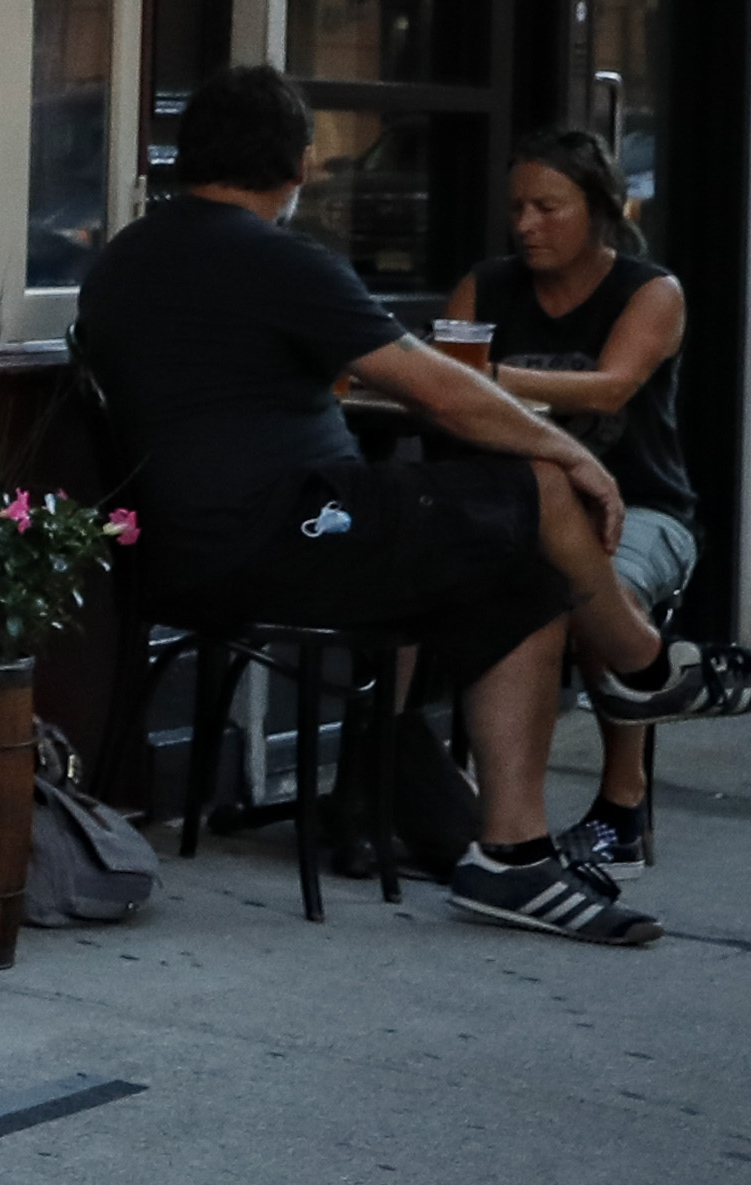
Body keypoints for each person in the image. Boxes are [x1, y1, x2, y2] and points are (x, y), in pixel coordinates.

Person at [72, 68, 698, 947]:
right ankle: (642, 666)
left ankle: (508, 855)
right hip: (285, 535)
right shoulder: (271, 258)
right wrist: (566, 449)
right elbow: (434, 388)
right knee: (537, 489)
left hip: (190, 552)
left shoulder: (126, 257)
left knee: (518, 567)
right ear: (297, 162)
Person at [446, 127, 703, 866]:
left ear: (596, 208)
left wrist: (481, 379)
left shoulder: (650, 290)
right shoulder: (487, 285)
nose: (525, 224)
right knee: (420, 566)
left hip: (640, 504)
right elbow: (440, 379)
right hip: (506, 502)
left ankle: (622, 805)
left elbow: (611, 385)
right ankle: (430, 784)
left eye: (546, 207)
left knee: (596, 588)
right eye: (516, 207)